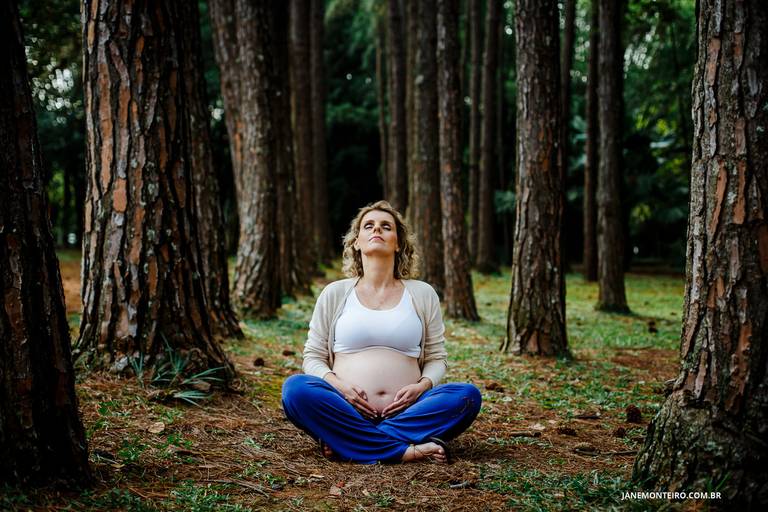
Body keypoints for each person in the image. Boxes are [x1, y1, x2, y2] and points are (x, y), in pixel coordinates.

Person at [281, 200, 481, 464]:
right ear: (356, 242)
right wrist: (341, 388)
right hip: (346, 408)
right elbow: (313, 358)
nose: (377, 230)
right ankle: (404, 450)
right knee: (295, 390)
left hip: (409, 411)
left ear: (398, 243)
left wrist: (421, 387)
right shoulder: (335, 293)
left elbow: (436, 358)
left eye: (386, 227)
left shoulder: (422, 293)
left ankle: (351, 442)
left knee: (466, 396)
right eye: (369, 226)